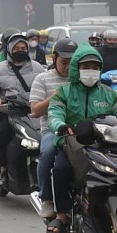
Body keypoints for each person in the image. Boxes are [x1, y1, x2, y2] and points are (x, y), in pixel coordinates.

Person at [46, 44, 117, 233]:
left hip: (105, 143)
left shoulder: (108, 92)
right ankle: (62, 215)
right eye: (86, 67)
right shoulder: (64, 92)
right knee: (60, 169)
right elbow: (54, 113)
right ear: (77, 68)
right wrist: (61, 126)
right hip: (73, 142)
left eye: (95, 67)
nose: (91, 71)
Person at [0, 33, 45, 188]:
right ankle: (3, 171)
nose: (20, 50)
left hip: (33, 111)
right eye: (17, 48)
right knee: (4, 133)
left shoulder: (38, 68)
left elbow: (47, 87)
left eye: (23, 48)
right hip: (8, 112)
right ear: (9, 49)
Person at [29, 38, 78, 219]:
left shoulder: (83, 79)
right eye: (64, 63)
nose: (67, 67)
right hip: (52, 130)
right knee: (49, 151)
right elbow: (34, 111)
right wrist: (57, 96)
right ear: (54, 58)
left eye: (72, 64)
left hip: (80, 130)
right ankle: (47, 198)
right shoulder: (42, 79)